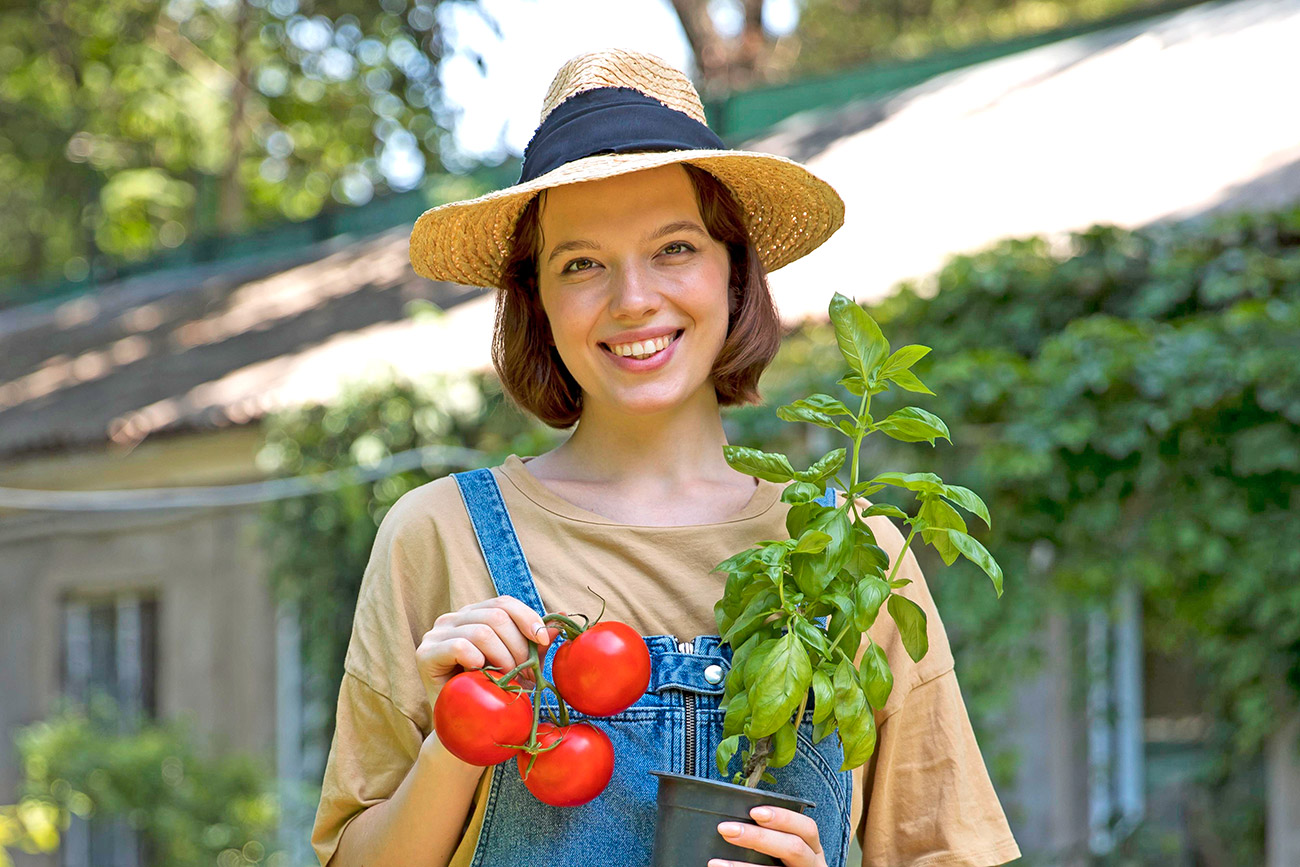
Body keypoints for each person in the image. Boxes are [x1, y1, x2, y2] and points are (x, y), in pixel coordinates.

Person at [311, 49, 1022, 867]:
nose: (634, 299)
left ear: (733, 273)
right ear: (536, 301)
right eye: (581, 263)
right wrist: (460, 736)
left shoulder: (851, 557)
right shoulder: (440, 535)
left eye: (675, 248)